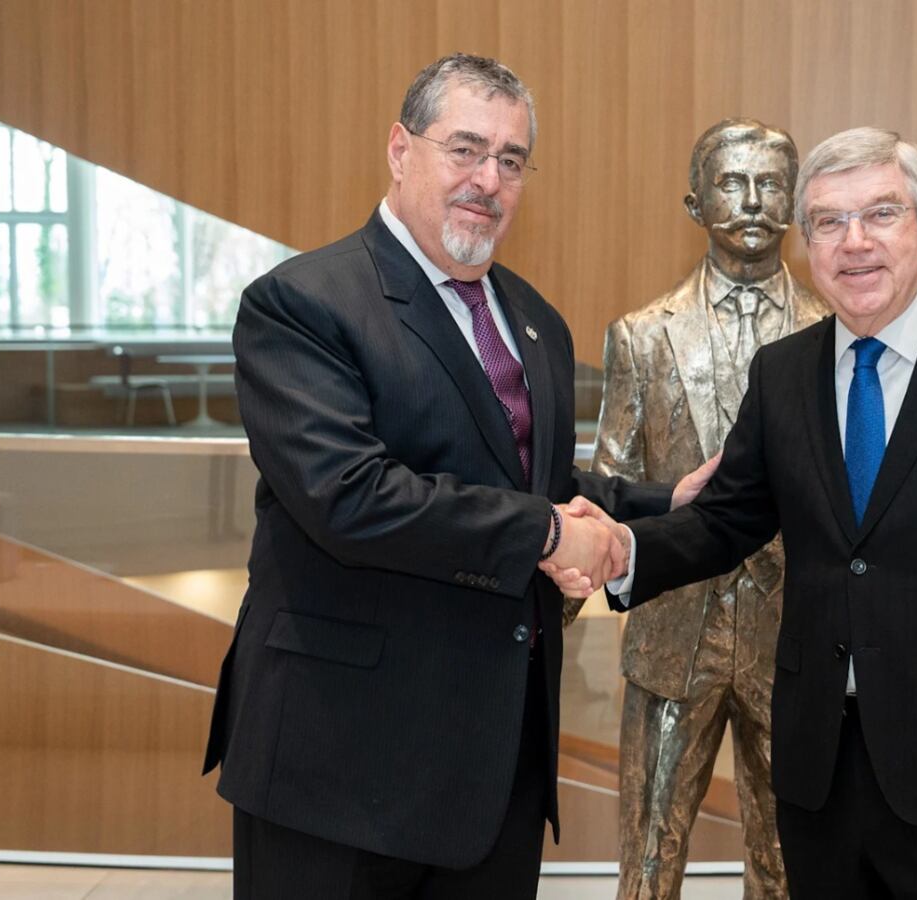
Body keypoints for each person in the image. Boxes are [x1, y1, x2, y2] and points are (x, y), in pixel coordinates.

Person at [202, 52, 714, 899]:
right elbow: (350, 497)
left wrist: (666, 502)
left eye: (511, 161)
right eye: (465, 149)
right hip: (337, 766)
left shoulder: (535, 322)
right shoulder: (303, 304)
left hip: (494, 765)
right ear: (401, 150)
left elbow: (533, 479)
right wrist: (551, 534)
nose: (489, 179)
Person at [546, 127, 917, 898]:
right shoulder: (786, 373)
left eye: (881, 215)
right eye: (829, 222)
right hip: (816, 773)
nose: (855, 242)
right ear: (806, 242)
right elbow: (724, 521)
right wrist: (619, 550)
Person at [577, 118, 828, 899]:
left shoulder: (839, 333)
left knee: (791, 857)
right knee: (651, 857)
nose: (752, 201)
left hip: (797, 637)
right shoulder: (642, 338)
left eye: (770, 183)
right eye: (731, 182)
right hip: (674, 632)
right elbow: (611, 485)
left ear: (794, 201)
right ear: (694, 202)